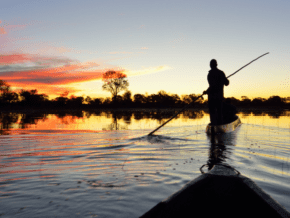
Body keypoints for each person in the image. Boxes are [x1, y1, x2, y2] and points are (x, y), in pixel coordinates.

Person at [203, 59, 229, 125]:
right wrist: (226, 80)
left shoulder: (210, 74)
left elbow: (212, 86)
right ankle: (219, 126)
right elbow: (226, 83)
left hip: (212, 98)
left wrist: (206, 91)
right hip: (219, 97)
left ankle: (214, 125)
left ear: (210, 65)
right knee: (219, 112)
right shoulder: (221, 73)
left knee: (212, 113)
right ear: (216, 65)